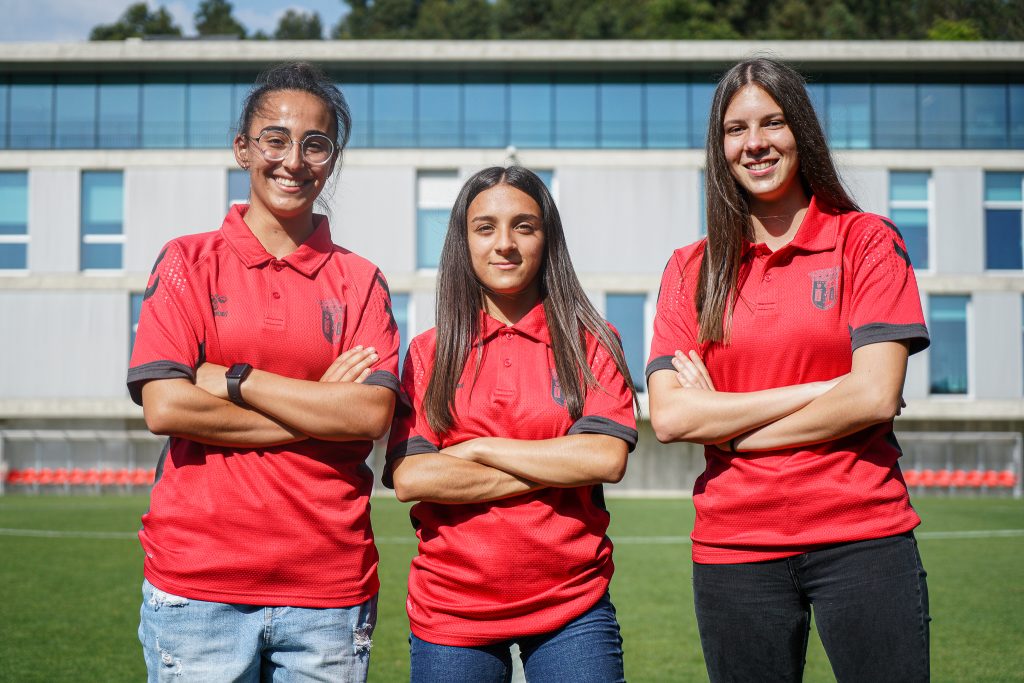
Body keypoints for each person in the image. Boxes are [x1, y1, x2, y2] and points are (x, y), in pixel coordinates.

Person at [647, 57, 931, 682]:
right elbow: (670, 416)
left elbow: (876, 396)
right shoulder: (689, 268)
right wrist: (830, 389)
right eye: (735, 129)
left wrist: (727, 430)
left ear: (801, 130)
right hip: (734, 547)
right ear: (718, 147)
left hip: (864, 535)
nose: (755, 144)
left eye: (772, 123)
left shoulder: (867, 241)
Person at [126, 62, 399, 682]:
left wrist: (234, 379)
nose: (293, 161)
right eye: (275, 139)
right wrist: (320, 410)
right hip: (198, 584)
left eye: (315, 143)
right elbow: (167, 408)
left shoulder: (361, 281)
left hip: (329, 588)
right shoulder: (186, 262)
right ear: (243, 148)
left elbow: (370, 416)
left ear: (333, 158)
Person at [386, 166, 638, 683]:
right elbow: (413, 478)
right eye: (485, 228)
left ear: (548, 239)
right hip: (451, 611)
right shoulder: (429, 352)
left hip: (573, 604)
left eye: (524, 226)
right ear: (464, 241)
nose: (505, 244)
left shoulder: (592, 340)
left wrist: (477, 448)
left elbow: (604, 459)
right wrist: (558, 461)